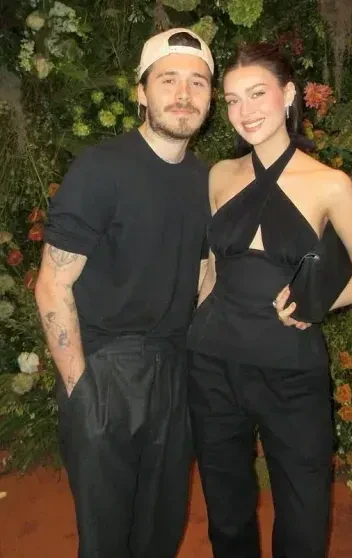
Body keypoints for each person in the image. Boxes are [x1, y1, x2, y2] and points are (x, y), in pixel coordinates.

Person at [187, 42, 352, 558]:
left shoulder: (330, 184)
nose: (244, 111)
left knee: (303, 510)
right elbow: (212, 269)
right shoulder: (219, 175)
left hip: (291, 369)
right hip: (212, 362)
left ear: (289, 94)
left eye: (257, 94)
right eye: (232, 100)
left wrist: (314, 305)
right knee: (226, 509)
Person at [35, 28, 214, 558]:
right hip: (106, 368)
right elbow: (53, 283)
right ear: (141, 92)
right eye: (168, 80)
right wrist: (81, 391)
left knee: (161, 526)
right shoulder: (101, 168)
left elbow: (205, 272)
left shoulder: (205, 179)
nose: (183, 94)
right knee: (107, 536)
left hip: (174, 370)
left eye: (197, 82)